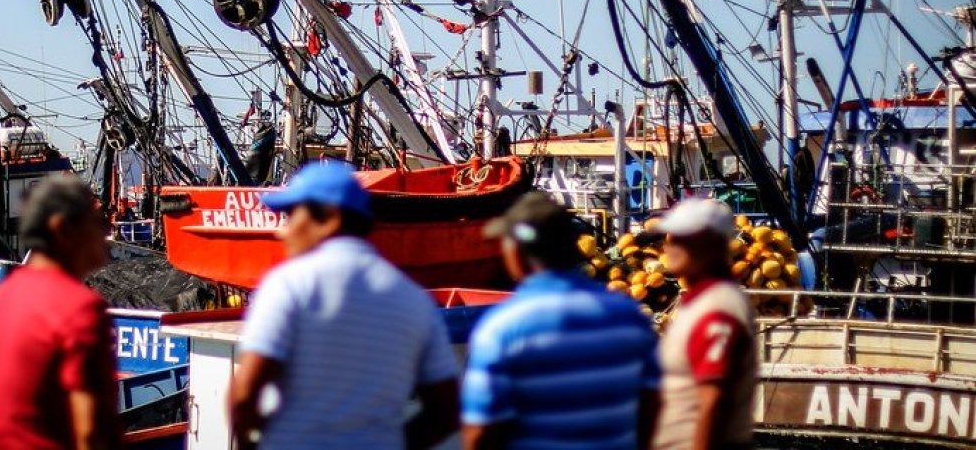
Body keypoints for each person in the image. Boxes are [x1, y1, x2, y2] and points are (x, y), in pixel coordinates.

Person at [228, 161, 460, 450]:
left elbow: (244, 395)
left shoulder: (289, 284)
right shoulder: (415, 300)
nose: (282, 232)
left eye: (290, 216)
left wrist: (253, 442)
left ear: (329, 218)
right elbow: (446, 411)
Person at [461, 191, 661, 450]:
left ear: (516, 253)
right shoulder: (630, 317)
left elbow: (481, 433)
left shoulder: (501, 328)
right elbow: (652, 407)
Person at [0, 175, 119, 450]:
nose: (106, 234)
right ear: (63, 229)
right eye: (98, 223)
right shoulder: (80, 310)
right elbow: (91, 433)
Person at [652, 198, 758, 450]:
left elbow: (712, 400)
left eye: (680, 240)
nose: (669, 246)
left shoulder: (717, 307)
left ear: (709, 245)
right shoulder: (700, 300)